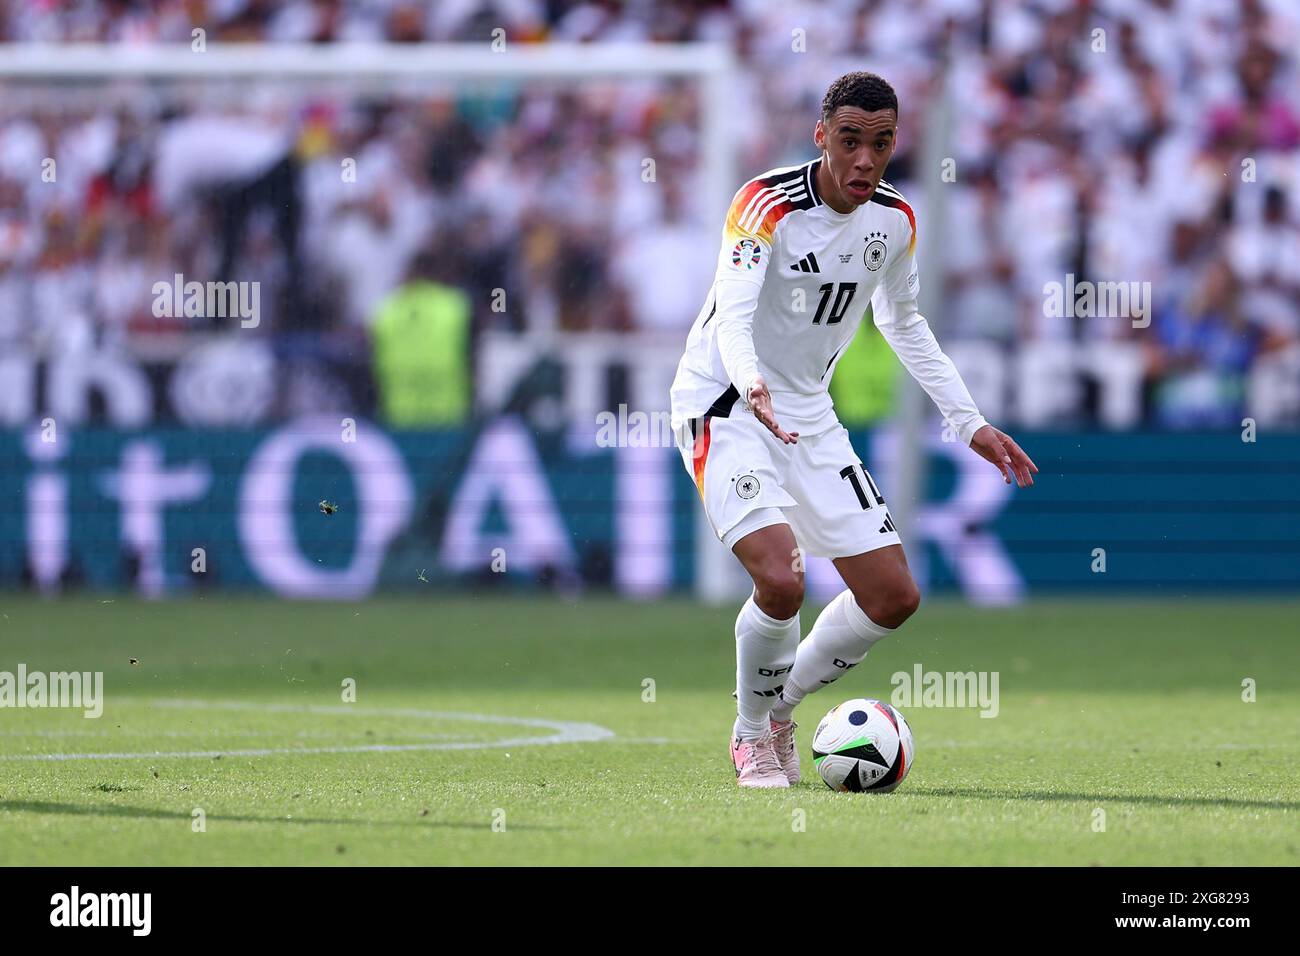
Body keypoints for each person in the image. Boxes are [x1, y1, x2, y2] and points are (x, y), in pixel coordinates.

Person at [669, 72, 1038, 789]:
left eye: (881, 143)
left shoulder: (895, 220)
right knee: (781, 579)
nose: (865, 160)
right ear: (821, 137)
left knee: (894, 595)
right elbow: (735, 316)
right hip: (724, 401)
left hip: (805, 412)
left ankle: (780, 710)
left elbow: (904, 321)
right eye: (849, 142)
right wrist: (752, 386)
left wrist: (969, 422)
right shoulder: (763, 205)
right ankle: (750, 738)